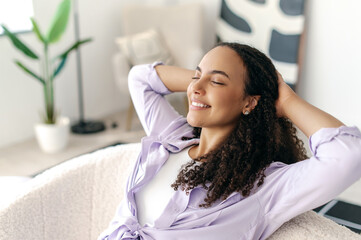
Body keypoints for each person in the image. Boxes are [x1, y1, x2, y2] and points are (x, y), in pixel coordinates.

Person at [98, 42, 361, 240]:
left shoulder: (262, 187)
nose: (195, 88)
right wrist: (207, 80)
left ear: (249, 102)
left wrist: (287, 101)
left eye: (217, 81)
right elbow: (140, 79)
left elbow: (348, 155)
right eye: (195, 76)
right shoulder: (172, 139)